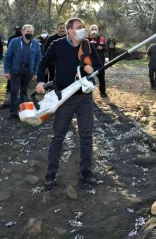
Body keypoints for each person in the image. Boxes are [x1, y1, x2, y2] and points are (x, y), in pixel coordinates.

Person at [36, 18, 98, 191]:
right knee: (58, 136)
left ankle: (86, 170)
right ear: (70, 30)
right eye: (79, 27)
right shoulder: (57, 45)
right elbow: (43, 62)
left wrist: (92, 70)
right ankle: (51, 173)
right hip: (64, 97)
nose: (82, 30)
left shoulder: (87, 45)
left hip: (85, 97)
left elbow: (99, 65)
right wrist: (41, 81)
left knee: (86, 135)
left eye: (83, 27)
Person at [4, 24, 42, 119]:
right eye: (27, 31)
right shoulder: (15, 42)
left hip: (28, 70)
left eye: (31, 32)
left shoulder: (36, 44)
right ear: (22, 32)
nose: (29, 33)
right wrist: (7, 71)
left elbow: (39, 59)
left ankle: (23, 112)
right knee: (14, 91)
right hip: (16, 69)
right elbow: (7, 56)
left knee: (24, 92)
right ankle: (13, 112)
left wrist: (35, 73)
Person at [88, 25, 108, 98]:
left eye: (95, 29)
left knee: (102, 78)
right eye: (92, 29)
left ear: (97, 30)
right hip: (90, 63)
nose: (94, 30)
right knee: (89, 78)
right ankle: (89, 93)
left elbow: (106, 48)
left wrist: (101, 47)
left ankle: (103, 92)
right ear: (90, 30)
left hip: (100, 62)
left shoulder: (101, 38)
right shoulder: (87, 38)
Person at [5, 25, 22, 96]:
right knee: (12, 74)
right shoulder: (11, 38)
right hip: (13, 58)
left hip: (22, 59)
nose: (18, 31)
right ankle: (9, 87)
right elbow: (9, 49)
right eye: (16, 30)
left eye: (19, 29)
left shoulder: (25, 38)